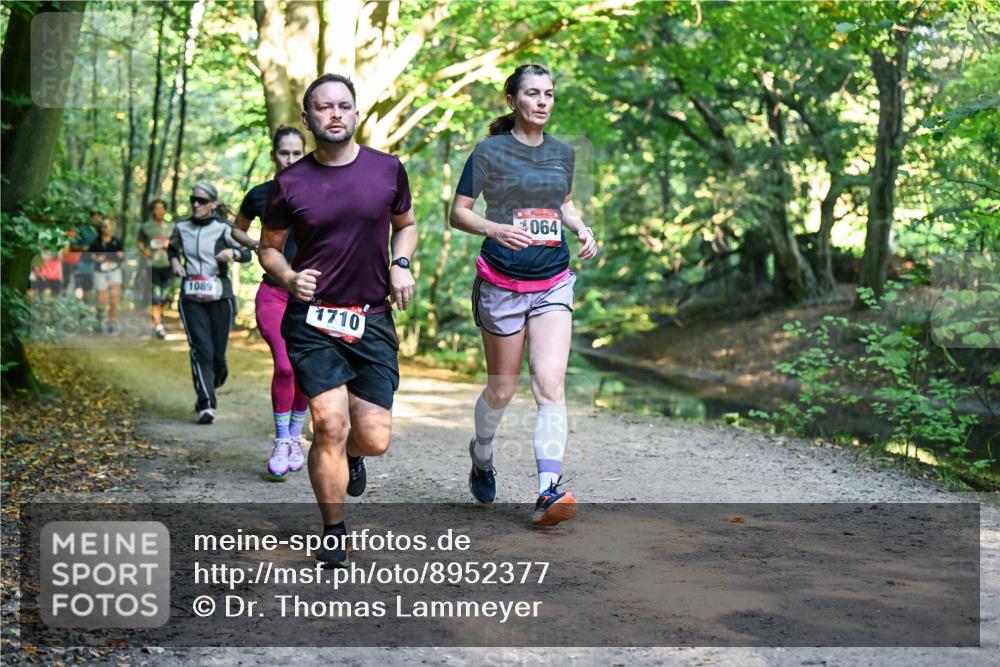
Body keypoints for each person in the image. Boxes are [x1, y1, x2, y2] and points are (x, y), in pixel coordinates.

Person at [259, 73, 417, 566]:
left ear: (356, 113)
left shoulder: (387, 170)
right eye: (324, 107)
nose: (335, 114)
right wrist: (289, 277)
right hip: (312, 321)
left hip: (371, 317)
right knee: (328, 423)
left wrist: (400, 263)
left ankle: (353, 456)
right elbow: (268, 248)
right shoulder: (289, 183)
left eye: (343, 106)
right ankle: (333, 529)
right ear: (307, 119)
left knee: (374, 439)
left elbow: (407, 226)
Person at [449, 64, 598, 527]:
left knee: (550, 386)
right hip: (502, 281)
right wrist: (495, 228)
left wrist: (581, 227)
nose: (542, 102)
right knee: (502, 389)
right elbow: (459, 213)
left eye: (548, 94)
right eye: (533, 94)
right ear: (512, 100)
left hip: (553, 278)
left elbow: (564, 204)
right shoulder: (489, 152)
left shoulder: (562, 153)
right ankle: (482, 454)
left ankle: (547, 490)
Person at [232, 127, 310, 479]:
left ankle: (295, 437)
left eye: (296, 153)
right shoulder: (260, 194)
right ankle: (281, 440)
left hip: (311, 298)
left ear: (306, 154)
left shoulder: (320, 192)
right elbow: (237, 228)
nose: (290, 159)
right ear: (273, 155)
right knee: (285, 365)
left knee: (305, 369)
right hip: (274, 293)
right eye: (284, 153)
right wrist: (258, 246)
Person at [169, 183, 253, 424]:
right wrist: (175, 262)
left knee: (217, 356)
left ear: (213, 204)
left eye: (202, 201)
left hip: (220, 298)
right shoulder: (182, 227)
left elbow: (247, 252)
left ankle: (210, 382)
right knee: (201, 350)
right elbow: (171, 248)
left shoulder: (224, 228)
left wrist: (232, 254)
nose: (196, 204)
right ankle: (206, 404)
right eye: (193, 199)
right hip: (191, 299)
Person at [137, 199, 175, 339]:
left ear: (165, 210)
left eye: (161, 208)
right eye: (156, 208)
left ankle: (159, 315)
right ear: (152, 210)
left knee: (165, 297)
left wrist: (170, 245)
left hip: (168, 265)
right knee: (156, 296)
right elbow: (139, 242)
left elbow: (178, 243)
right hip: (152, 266)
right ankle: (159, 326)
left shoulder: (171, 226)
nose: (159, 211)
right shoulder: (146, 227)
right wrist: (145, 251)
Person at [88, 217, 126, 334]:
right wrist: (96, 258)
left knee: (114, 297)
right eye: (104, 226)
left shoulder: (117, 242)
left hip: (114, 271)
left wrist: (121, 256)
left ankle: (111, 324)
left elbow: (122, 256)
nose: (107, 229)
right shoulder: (95, 242)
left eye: (109, 226)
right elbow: (89, 256)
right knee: (102, 299)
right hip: (100, 272)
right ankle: (100, 318)